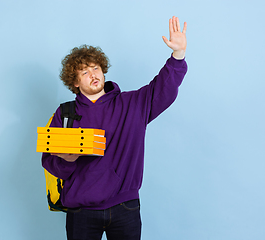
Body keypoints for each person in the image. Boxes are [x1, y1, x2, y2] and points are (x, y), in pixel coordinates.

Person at [42, 16, 188, 240]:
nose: (93, 74)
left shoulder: (132, 104)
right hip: (81, 211)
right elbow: (50, 162)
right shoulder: (65, 114)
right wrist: (66, 161)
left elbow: (163, 89)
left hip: (125, 207)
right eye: (84, 72)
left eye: (96, 68)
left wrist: (178, 56)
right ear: (75, 82)